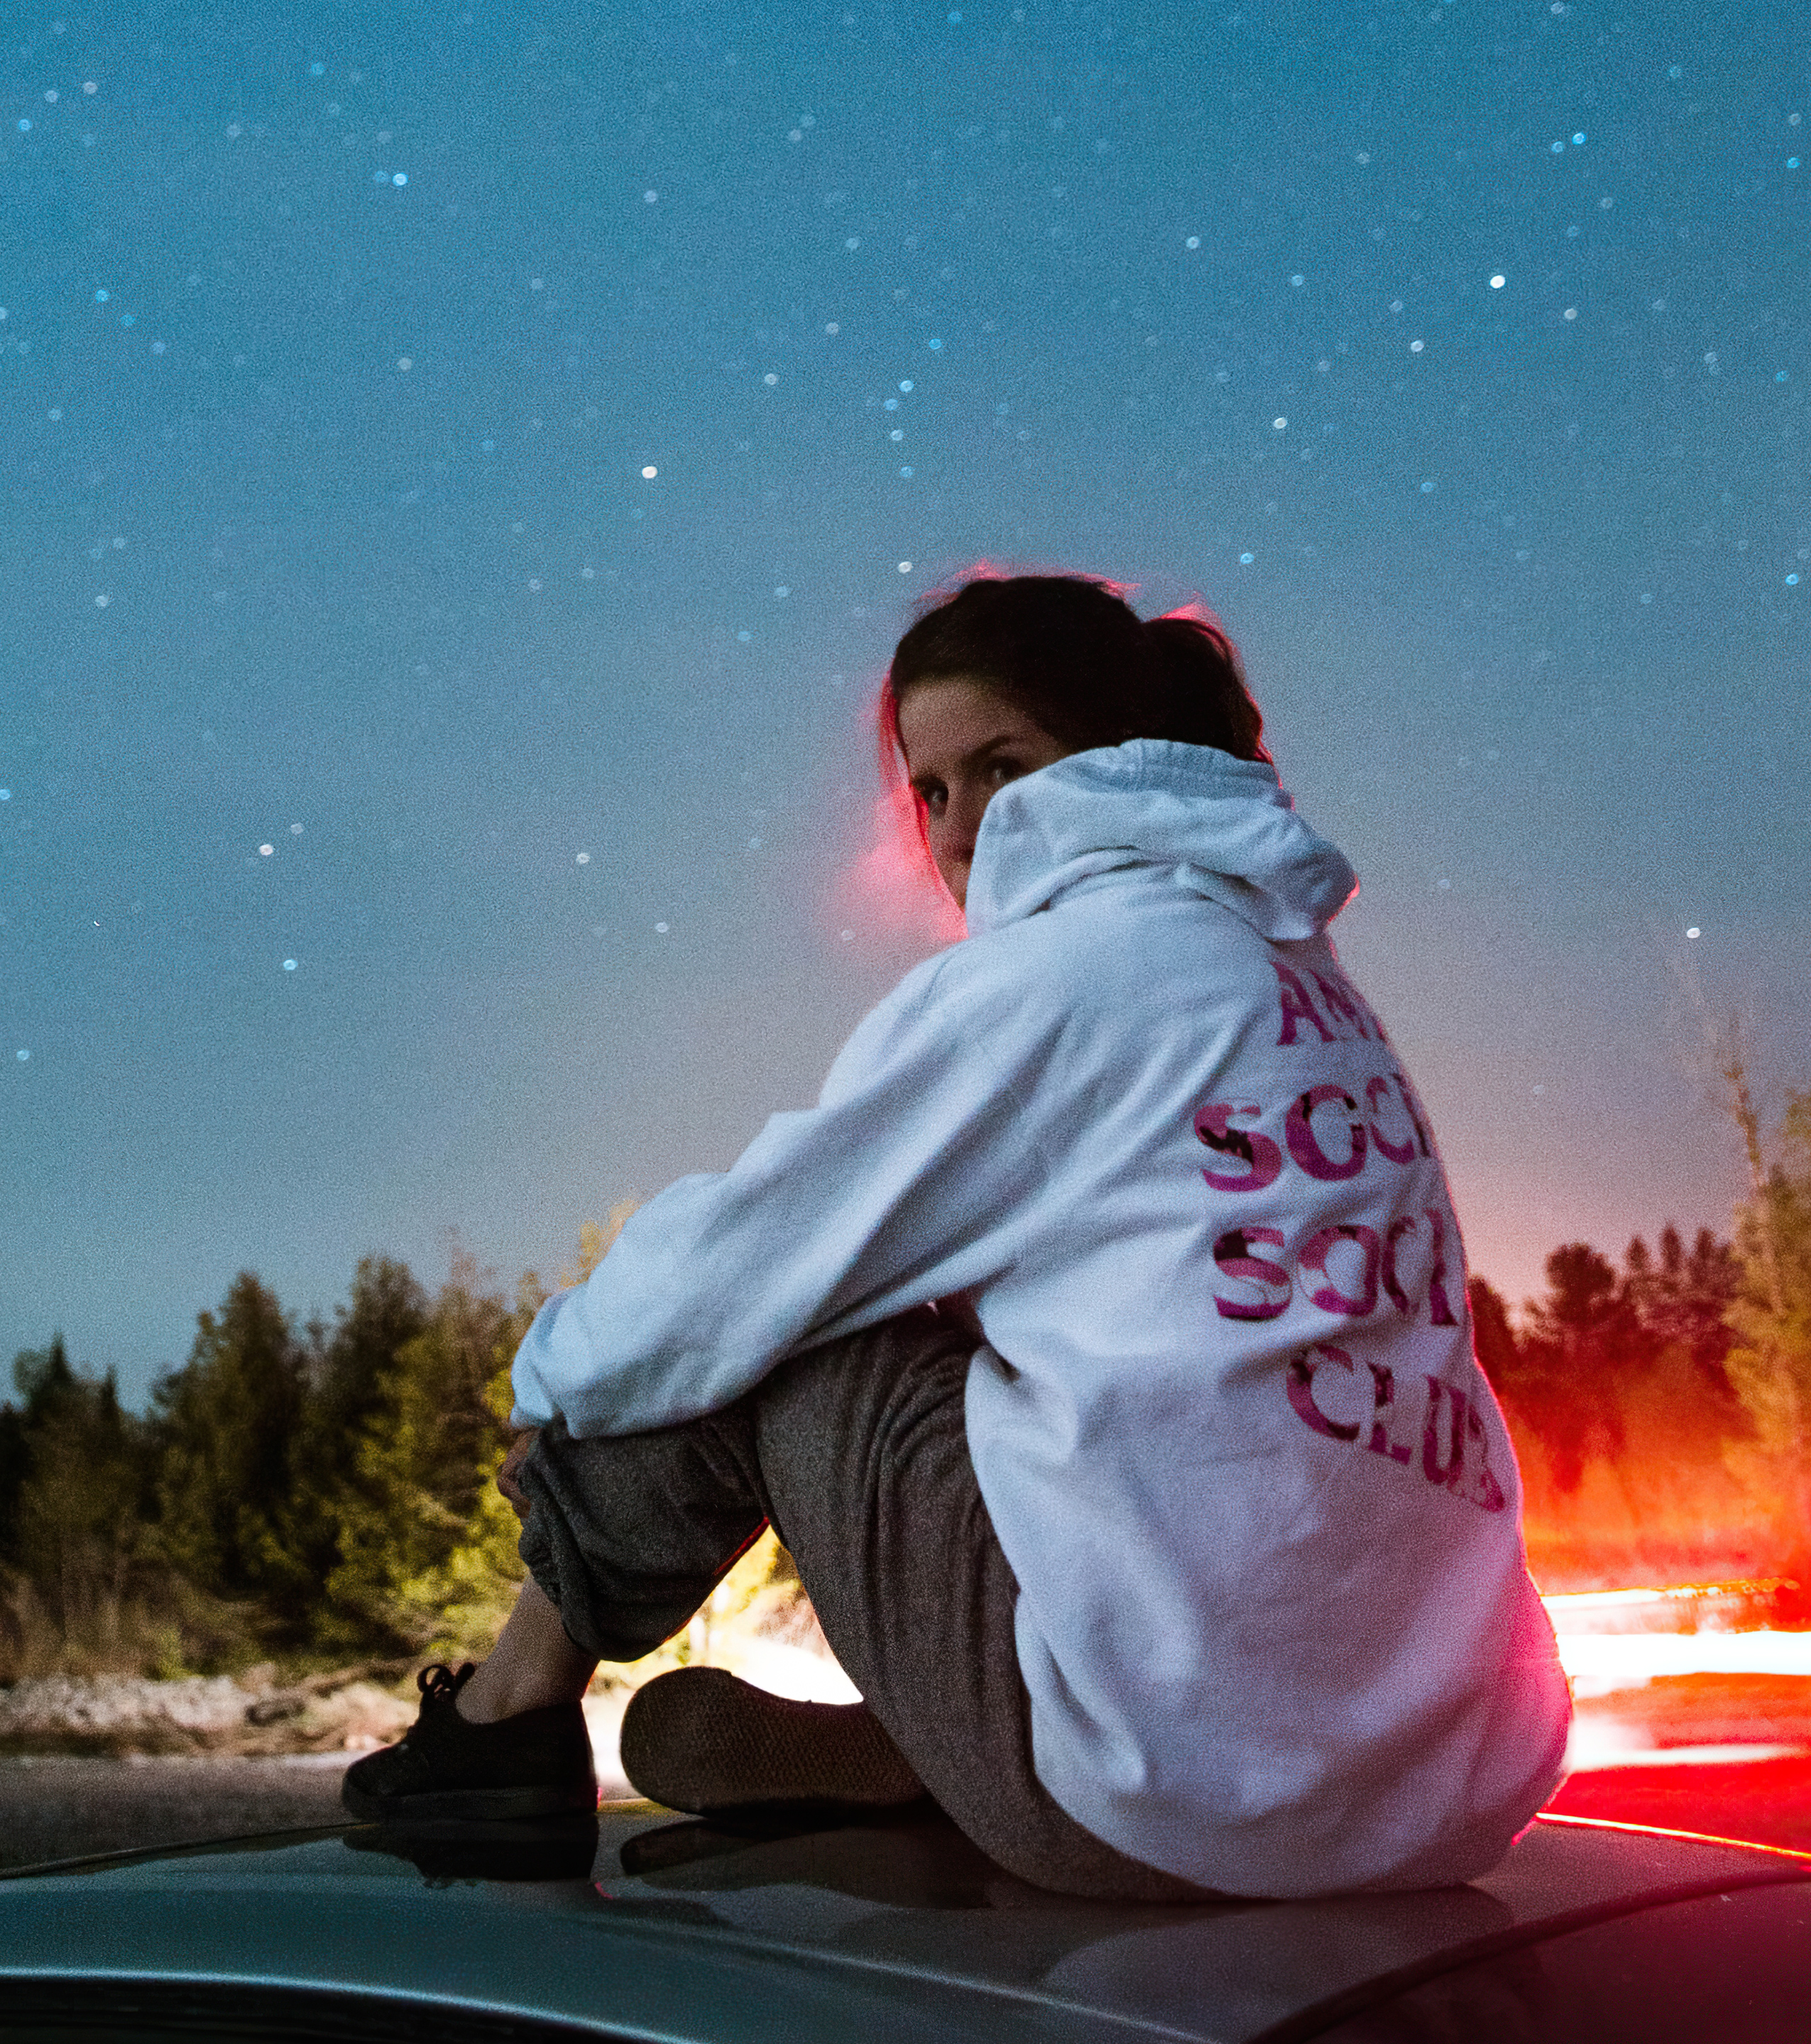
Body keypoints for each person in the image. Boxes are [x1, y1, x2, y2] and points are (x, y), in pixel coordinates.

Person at [341, 573, 1572, 1900]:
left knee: (788, 1318)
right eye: (930, 792)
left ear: (1119, 758)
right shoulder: (1303, 984)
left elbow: (736, 1269)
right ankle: (944, 1734)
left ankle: (507, 1725)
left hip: (1178, 1805)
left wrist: (552, 1388)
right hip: (1445, 1791)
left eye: (1006, 768)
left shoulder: (1054, 982)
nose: (966, 828)